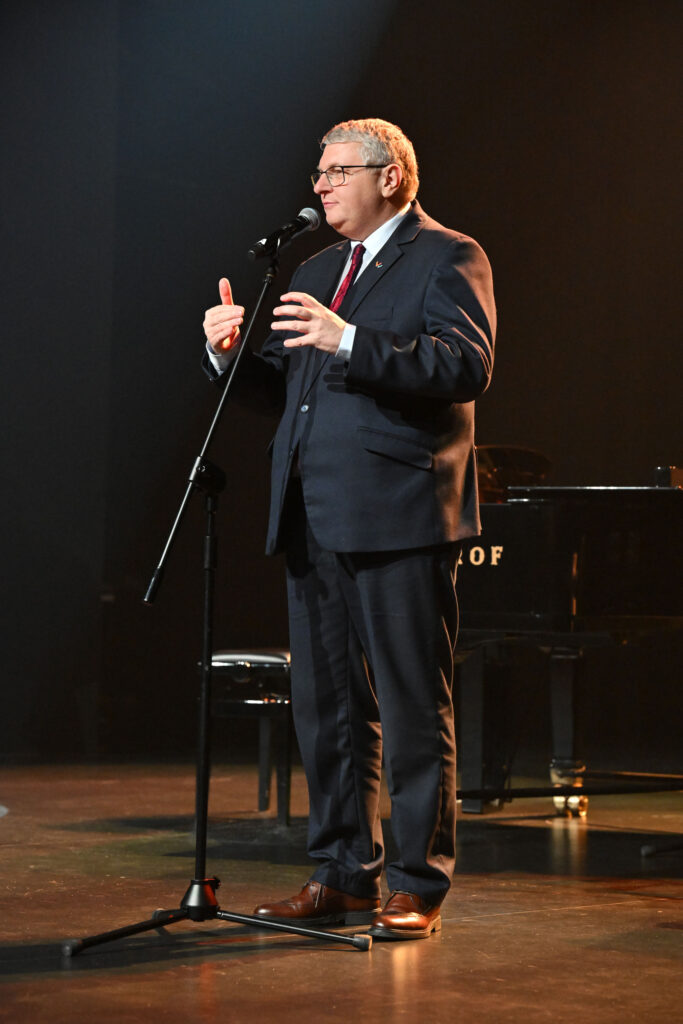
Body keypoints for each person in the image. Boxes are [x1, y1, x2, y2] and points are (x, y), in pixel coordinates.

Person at [203, 118, 496, 940]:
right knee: (327, 708)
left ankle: (417, 883)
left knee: (410, 706)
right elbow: (292, 390)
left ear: (389, 176)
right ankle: (341, 874)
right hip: (312, 511)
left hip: (399, 511)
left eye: (337, 171)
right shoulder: (318, 268)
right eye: (318, 173)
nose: (321, 186)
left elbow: (463, 365)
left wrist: (352, 339)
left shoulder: (448, 255)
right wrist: (231, 356)